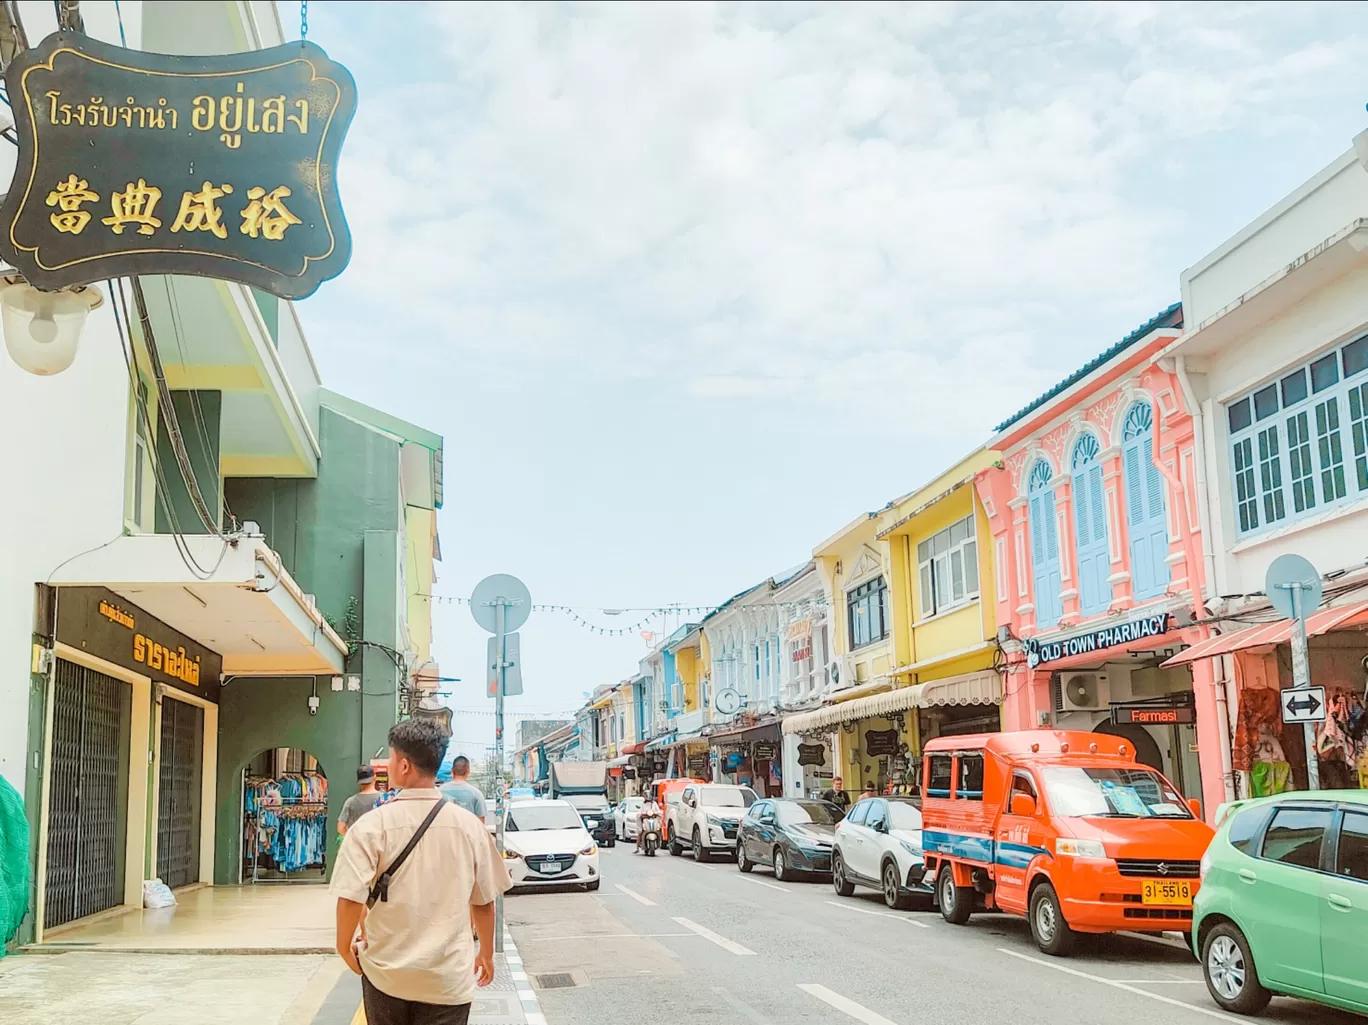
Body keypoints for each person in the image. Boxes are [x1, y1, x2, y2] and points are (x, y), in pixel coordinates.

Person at [331, 720, 511, 1025]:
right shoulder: (470, 827)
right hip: (447, 979)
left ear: (403, 765)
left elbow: (350, 898)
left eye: (390, 758)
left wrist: (344, 946)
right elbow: (483, 901)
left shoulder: (371, 827)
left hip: (386, 974)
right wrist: (487, 953)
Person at [440, 756, 487, 821]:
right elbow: (481, 823)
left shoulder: (439, 792)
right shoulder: (476, 794)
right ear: (468, 771)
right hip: (468, 830)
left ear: (452, 771)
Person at [337, 765, 380, 837]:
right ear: (374, 778)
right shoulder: (384, 799)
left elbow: (340, 828)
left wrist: (352, 838)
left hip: (357, 845)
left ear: (359, 781)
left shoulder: (350, 802)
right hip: (378, 845)